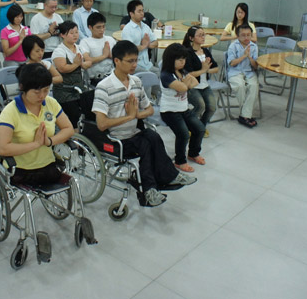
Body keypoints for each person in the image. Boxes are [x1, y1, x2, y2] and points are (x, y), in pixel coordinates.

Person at [92, 40, 196, 207]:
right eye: (130, 61)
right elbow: (101, 124)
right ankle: (150, 189)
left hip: (134, 134)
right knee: (146, 144)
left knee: (153, 136)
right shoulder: (104, 87)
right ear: (117, 61)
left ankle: (166, 179)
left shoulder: (136, 82)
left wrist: (137, 114)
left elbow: (150, 110)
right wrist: (130, 117)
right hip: (115, 140)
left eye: (136, 60)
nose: (135, 65)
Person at [0, 63, 75, 186]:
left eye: (46, 90)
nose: (42, 96)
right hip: (21, 170)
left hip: (48, 165)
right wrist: (36, 144)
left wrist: (49, 141)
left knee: (71, 183)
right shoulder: (10, 111)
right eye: (36, 92)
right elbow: (2, 148)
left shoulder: (51, 103)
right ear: (22, 87)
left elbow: (68, 129)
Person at [159, 43, 205, 172]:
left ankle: (193, 153)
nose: (182, 62)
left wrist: (185, 84)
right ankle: (180, 161)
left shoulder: (182, 71)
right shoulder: (166, 75)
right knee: (184, 134)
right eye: (179, 59)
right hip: (169, 111)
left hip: (183, 109)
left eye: (184, 59)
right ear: (170, 60)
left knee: (200, 129)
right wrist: (186, 84)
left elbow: (195, 82)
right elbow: (183, 88)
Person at [52, 21, 91, 126]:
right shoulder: (59, 51)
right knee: (75, 117)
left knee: (89, 113)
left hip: (79, 89)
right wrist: (76, 64)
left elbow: (89, 62)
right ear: (62, 35)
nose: (75, 35)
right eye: (71, 33)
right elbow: (63, 68)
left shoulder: (79, 48)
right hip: (64, 91)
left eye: (76, 32)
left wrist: (81, 64)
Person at [182, 26, 218, 133]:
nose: (203, 37)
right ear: (191, 38)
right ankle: (188, 126)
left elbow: (216, 68)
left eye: (203, 35)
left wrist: (206, 70)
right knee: (200, 106)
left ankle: (200, 126)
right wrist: (203, 70)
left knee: (212, 107)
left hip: (204, 85)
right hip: (193, 86)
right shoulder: (187, 53)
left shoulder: (205, 51)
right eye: (200, 35)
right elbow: (189, 74)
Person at [227, 24, 259, 128]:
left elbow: (255, 66)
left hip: (249, 72)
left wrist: (250, 58)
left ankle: (244, 115)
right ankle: (246, 115)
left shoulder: (254, 47)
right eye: (243, 35)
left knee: (254, 86)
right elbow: (232, 63)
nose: (246, 38)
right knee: (240, 86)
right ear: (238, 35)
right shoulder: (233, 46)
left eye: (248, 35)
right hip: (235, 72)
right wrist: (244, 56)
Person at [121, 0, 158, 73]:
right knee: (151, 76)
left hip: (147, 64)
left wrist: (147, 44)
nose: (142, 13)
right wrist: (144, 46)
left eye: (142, 11)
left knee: (160, 73)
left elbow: (156, 42)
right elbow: (129, 50)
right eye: (139, 11)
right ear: (131, 14)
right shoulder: (127, 29)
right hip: (134, 66)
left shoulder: (145, 27)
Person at [80, 12, 116, 86]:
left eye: (103, 26)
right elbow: (87, 60)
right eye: (98, 27)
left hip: (112, 75)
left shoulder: (110, 39)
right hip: (95, 79)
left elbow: (120, 57)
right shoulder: (85, 42)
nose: (102, 30)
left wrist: (110, 55)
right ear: (90, 27)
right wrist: (104, 56)